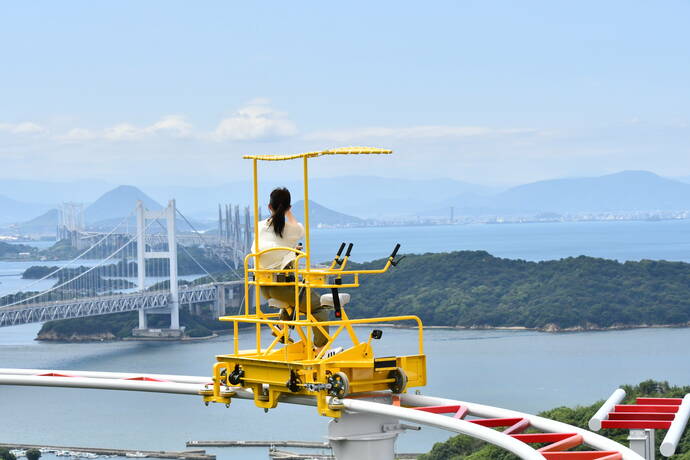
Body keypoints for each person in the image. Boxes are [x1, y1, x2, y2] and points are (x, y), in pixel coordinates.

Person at [252, 187, 331, 349]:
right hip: (282, 287)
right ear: (288, 208)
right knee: (320, 307)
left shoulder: (259, 227)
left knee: (296, 298)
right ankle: (320, 349)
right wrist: (288, 213)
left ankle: (282, 328)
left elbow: (274, 246)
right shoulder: (293, 230)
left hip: (264, 287)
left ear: (269, 206)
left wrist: (290, 252)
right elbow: (296, 228)